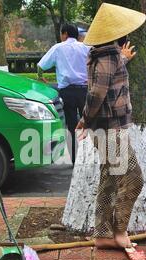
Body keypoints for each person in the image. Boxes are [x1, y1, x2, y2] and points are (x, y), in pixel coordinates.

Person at [75, 3, 146, 260]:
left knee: (108, 179)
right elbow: (96, 94)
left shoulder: (105, 55)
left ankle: (103, 234)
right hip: (110, 131)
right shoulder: (107, 57)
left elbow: (104, 80)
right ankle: (119, 232)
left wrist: (123, 60)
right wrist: (84, 119)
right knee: (134, 179)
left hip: (105, 130)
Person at [37, 23, 89, 164]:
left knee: (71, 126)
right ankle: (89, 157)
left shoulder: (58, 48)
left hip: (67, 92)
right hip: (85, 90)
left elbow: (41, 66)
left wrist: (40, 76)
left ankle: (74, 160)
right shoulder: (86, 47)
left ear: (64, 33)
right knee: (88, 123)